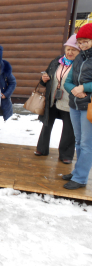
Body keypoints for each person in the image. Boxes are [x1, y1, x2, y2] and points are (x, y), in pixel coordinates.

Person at [34, 35, 80, 164]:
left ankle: (66, 155)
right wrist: (44, 79)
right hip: (52, 99)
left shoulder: (80, 65)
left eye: (73, 50)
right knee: (46, 124)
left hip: (69, 101)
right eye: (68, 49)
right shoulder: (56, 62)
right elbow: (47, 78)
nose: (70, 52)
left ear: (79, 51)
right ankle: (42, 149)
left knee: (68, 129)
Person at [62, 23, 92, 190]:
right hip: (75, 104)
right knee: (79, 142)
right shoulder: (79, 58)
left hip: (89, 107)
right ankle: (77, 172)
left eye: (86, 41)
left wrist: (84, 88)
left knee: (87, 144)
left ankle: (80, 178)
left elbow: (85, 85)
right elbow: (68, 82)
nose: (81, 45)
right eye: (80, 42)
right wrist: (73, 89)